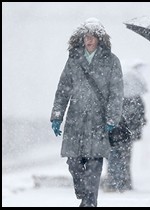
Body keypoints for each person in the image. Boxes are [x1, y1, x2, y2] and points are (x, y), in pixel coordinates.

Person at [50, 17, 124, 207]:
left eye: (92, 37)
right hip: (75, 119)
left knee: (94, 163)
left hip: (99, 121)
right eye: (86, 37)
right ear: (81, 39)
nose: (89, 40)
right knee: (73, 162)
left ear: (100, 39)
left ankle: (90, 201)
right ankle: (84, 192)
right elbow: (63, 89)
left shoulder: (111, 61)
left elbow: (116, 93)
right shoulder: (74, 59)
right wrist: (57, 115)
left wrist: (112, 118)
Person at [101, 61, 147, 192]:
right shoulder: (135, 98)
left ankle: (113, 182)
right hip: (126, 133)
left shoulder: (110, 96)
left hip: (113, 133)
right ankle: (124, 181)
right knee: (124, 157)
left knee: (113, 157)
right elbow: (140, 116)